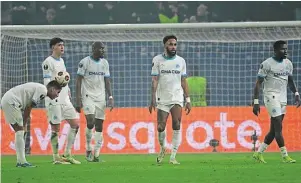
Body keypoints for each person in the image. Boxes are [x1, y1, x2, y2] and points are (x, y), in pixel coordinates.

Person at [252, 40, 300, 163]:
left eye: (286, 49)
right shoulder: (267, 64)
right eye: (282, 49)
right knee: (278, 127)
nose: (285, 51)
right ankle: (285, 156)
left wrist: (296, 93)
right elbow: (258, 83)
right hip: (270, 96)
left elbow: (290, 80)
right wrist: (256, 102)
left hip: (283, 98)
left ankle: (258, 153)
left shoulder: (288, 64)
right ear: (275, 50)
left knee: (273, 130)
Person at [149, 35, 191, 165]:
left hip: (177, 97)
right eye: (170, 44)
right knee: (161, 127)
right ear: (165, 45)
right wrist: (152, 98)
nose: (173, 47)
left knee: (176, 124)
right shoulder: (157, 60)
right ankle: (163, 148)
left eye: (175, 44)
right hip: (162, 98)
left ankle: (173, 156)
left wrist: (188, 99)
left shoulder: (181, 61)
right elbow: (154, 80)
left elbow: (183, 81)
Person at [1, 81, 62, 167]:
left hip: (9, 100)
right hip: (12, 101)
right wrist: (25, 122)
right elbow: (29, 106)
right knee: (20, 131)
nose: (57, 95)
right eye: (58, 92)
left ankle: (20, 161)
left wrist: (25, 121)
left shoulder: (40, 88)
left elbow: (28, 106)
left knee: (19, 131)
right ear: (52, 89)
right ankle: (22, 162)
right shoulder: (43, 91)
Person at [42, 37, 81, 164]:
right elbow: (47, 82)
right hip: (54, 100)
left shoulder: (62, 61)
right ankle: (56, 157)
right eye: (59, 45)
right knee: (56, 128)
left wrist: (67, 89)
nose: (62, 47)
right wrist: (57, 87)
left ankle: (68, 153)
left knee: (75, 124)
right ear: (53, 47)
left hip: (65, 99)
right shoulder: (48, 62)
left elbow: (63, 78)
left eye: (63, 45)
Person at [75, 42, 113, 162]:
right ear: (94, 49)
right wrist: (78, 99)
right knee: (90, 122)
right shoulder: (84, 62)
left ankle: (96, 154)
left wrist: (110, 97)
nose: (103, 50)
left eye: (103, 48)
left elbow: (107, 81)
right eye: (101, 48)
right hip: (87, 96)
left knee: (99, 125)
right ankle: (88, 147)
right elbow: (78, 81)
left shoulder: (104, 63)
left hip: (100, 97)